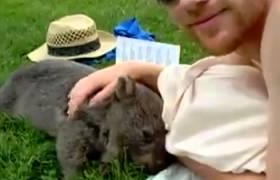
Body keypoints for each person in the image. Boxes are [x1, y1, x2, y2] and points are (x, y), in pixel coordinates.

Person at [67, 0, 280, 180]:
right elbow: (225, 67)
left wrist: (180, 151)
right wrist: (133, 69)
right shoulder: (252, 37)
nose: (188, 3)